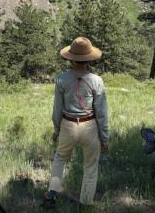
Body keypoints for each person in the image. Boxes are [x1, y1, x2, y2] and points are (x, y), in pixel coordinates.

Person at [44, 37, 109, 208]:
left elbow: (57, 109)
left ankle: (52, 193)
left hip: (68, 125)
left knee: (60, 159)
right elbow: (101, 113)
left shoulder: (61, 79)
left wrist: (57, 130)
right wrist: (105, 139)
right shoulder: (97, 81)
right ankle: (86, 202)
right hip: (90, 126)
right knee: (90, 166)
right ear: (89, 58)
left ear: (71, 58)